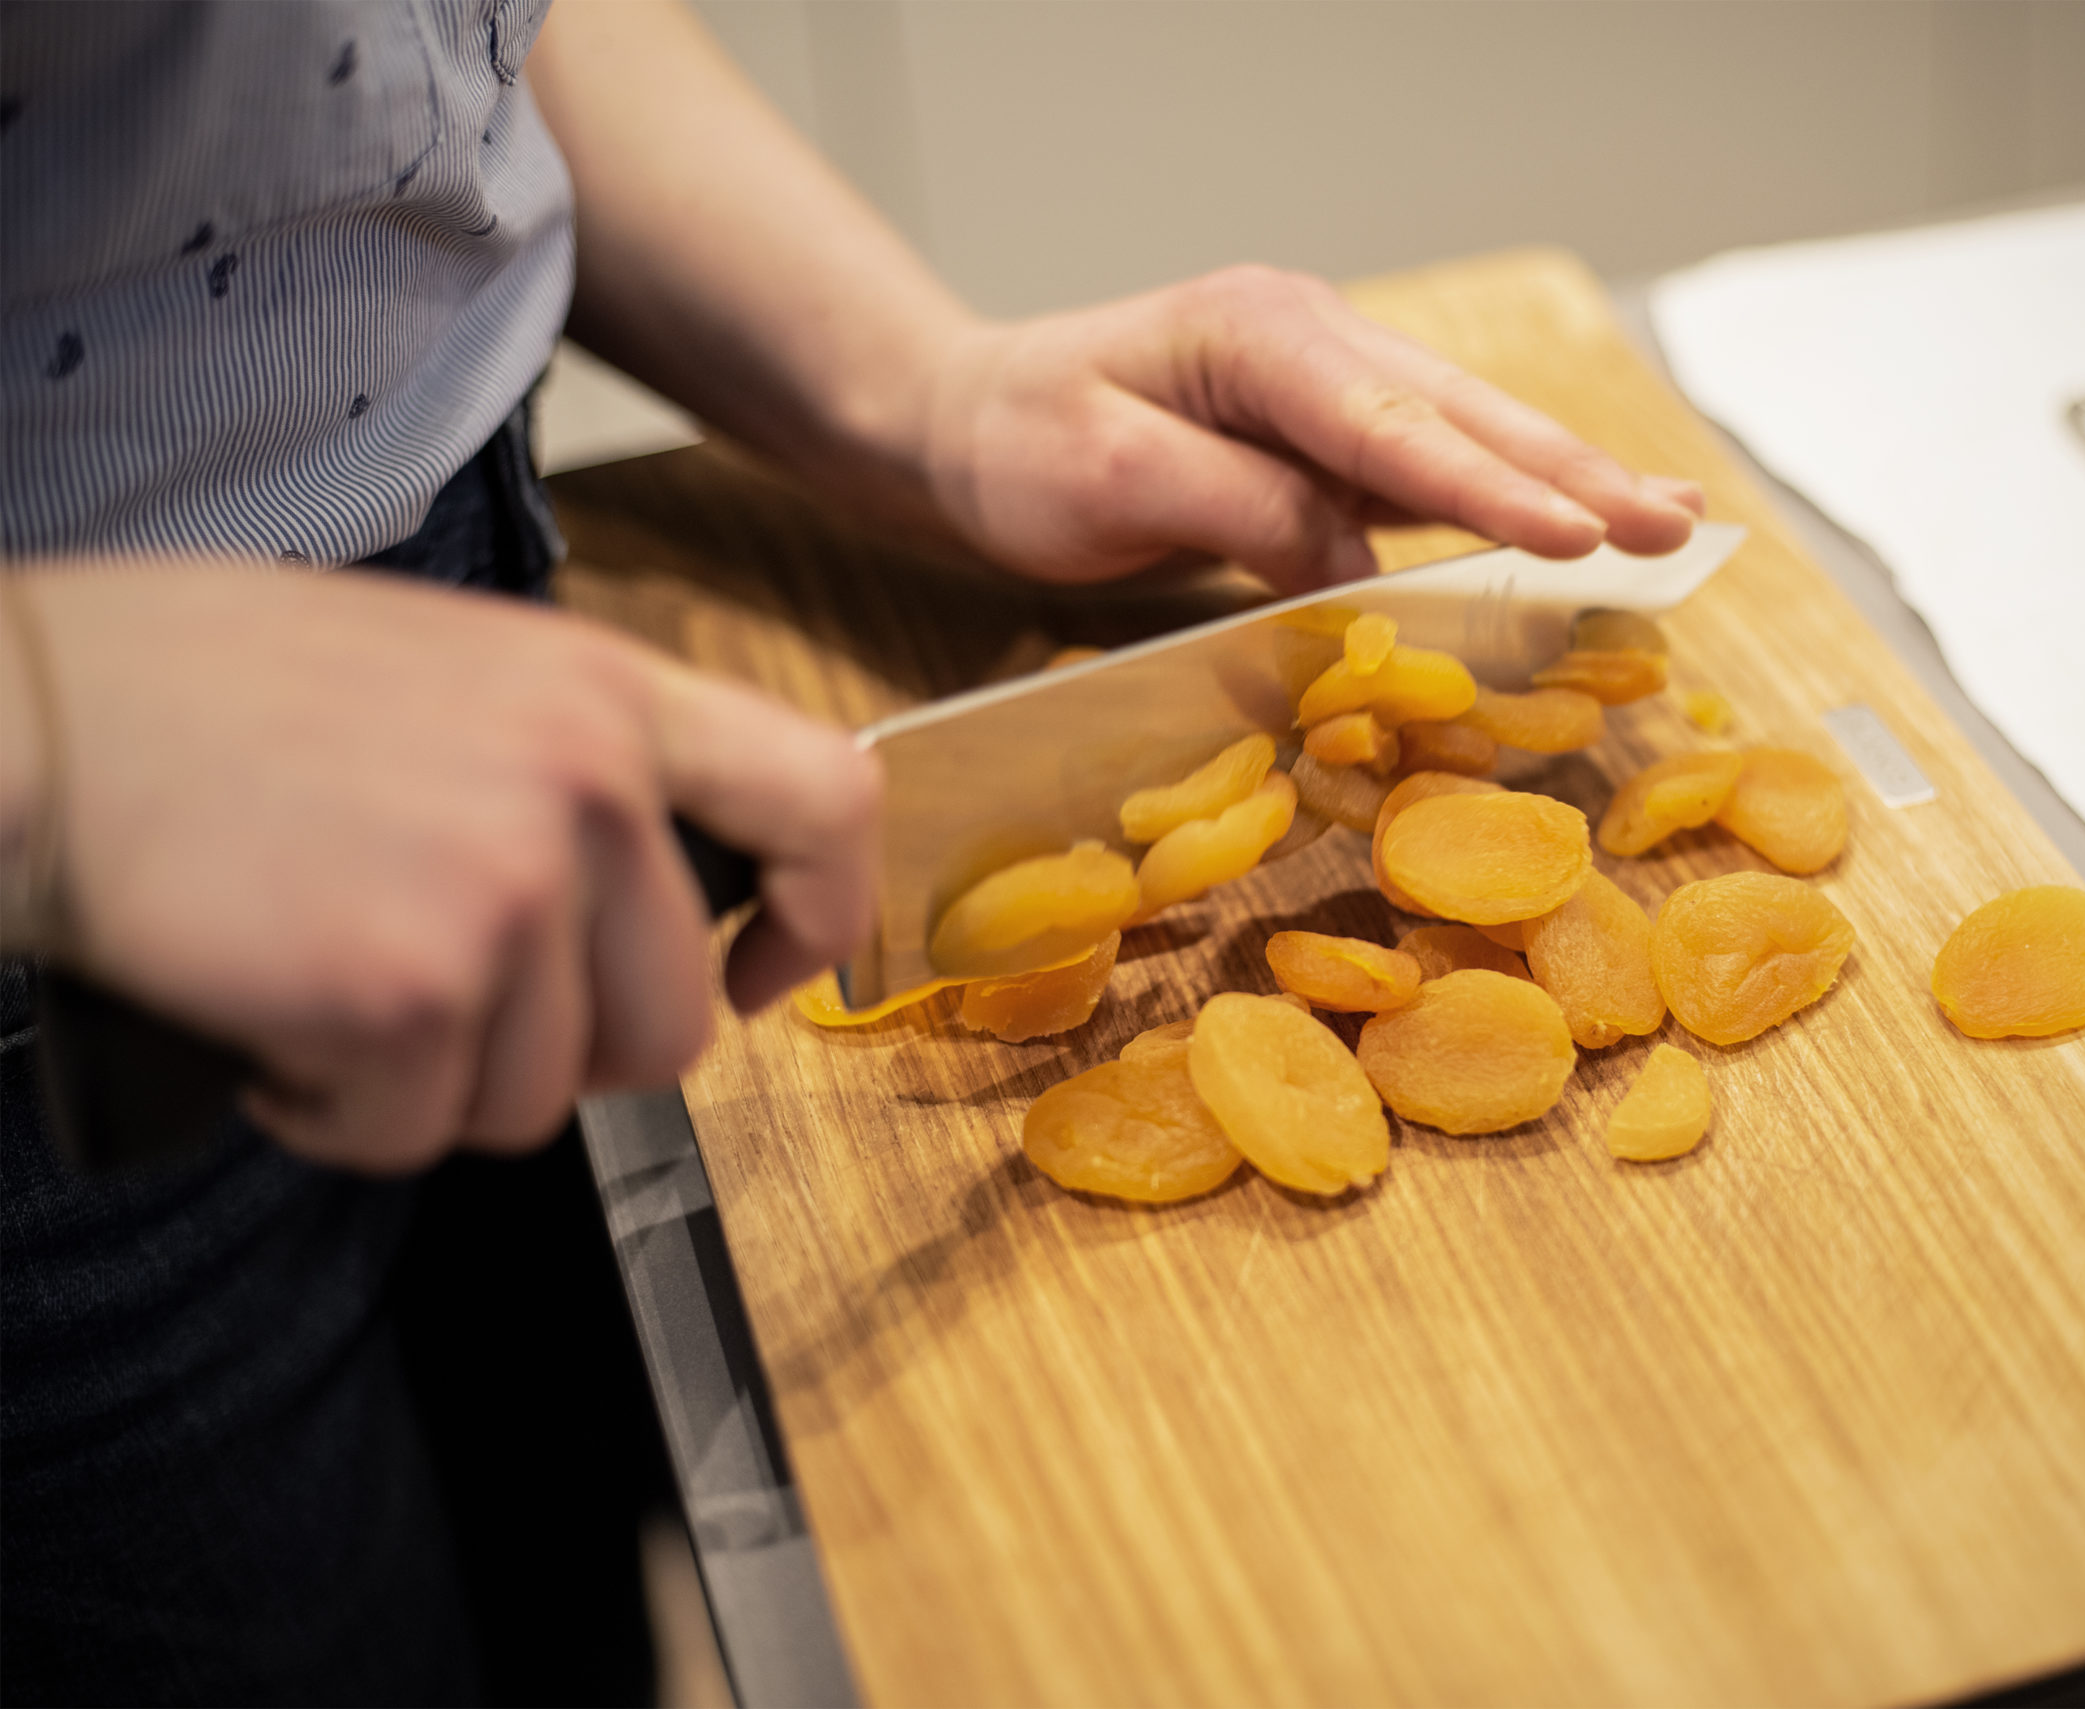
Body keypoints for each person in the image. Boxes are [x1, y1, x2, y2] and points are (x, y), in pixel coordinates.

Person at [0, 2, 1704, 1701]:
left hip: (483, 602)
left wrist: (921, 388)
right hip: (63, 922)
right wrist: (51, 728)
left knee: (553, 1593)